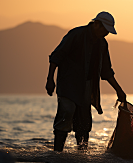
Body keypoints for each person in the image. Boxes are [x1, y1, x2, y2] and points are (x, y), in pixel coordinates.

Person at [45, 11, 126, 151]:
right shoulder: (76, 35)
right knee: (66, 115)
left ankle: (81, 157)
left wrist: (119, 91)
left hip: (86, 89)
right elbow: (56, 56)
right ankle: (57, 154)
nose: (106, 34)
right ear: (96, 24)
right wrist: (50, 79)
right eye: (105, 30)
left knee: (84, 124)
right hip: (68, 85)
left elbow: (106, 71)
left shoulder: (102, 44)